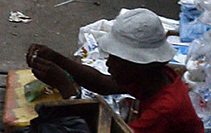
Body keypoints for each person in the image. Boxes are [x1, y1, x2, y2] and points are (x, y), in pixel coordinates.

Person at [28, 8, 199, 133]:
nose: (109, 63)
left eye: (116, 59)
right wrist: (57, 59)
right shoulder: (154, 77)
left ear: (140, 64)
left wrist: (68, 90)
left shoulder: (163, 111)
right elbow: (103, 83)